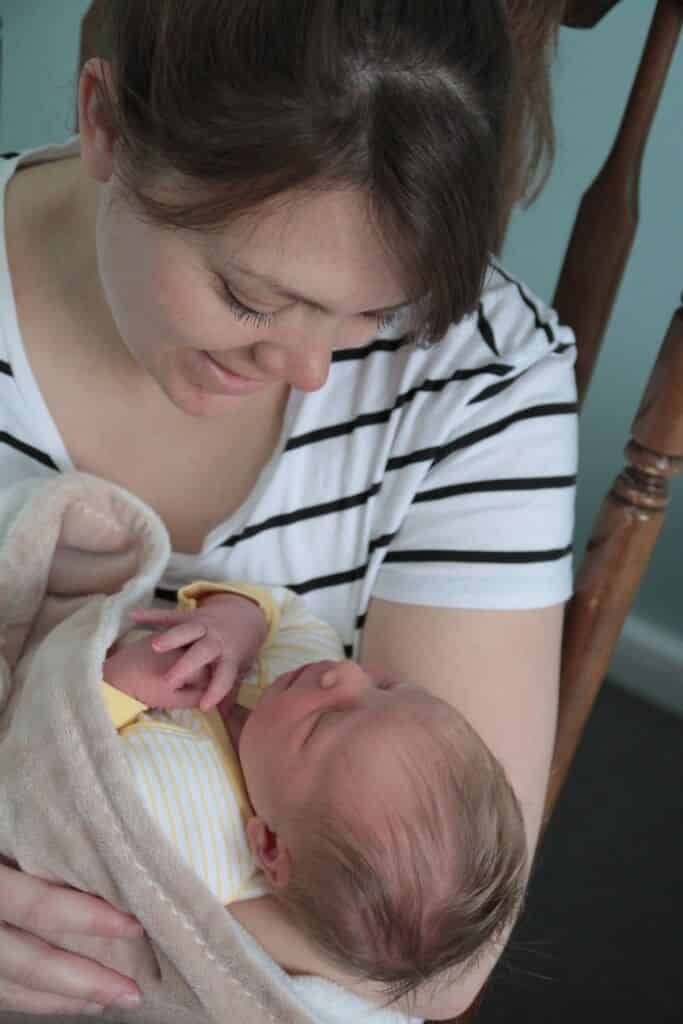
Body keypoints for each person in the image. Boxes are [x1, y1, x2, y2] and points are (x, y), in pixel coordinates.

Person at [0, 1, 577, 1018]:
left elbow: (436, 958)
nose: (310, 370)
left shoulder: (478, 372)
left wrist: (94, 905)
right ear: (105, 122)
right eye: (250, 297)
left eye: (373, 313)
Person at [96, 580, 527, 1010]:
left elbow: (61, 774)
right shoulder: (300, 666)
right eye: (387, 686)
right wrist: (237, 619)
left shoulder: (190, 830)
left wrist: (115, 688)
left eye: (326, 720)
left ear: (268, 846)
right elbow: (289, 614)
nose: (344, 673)